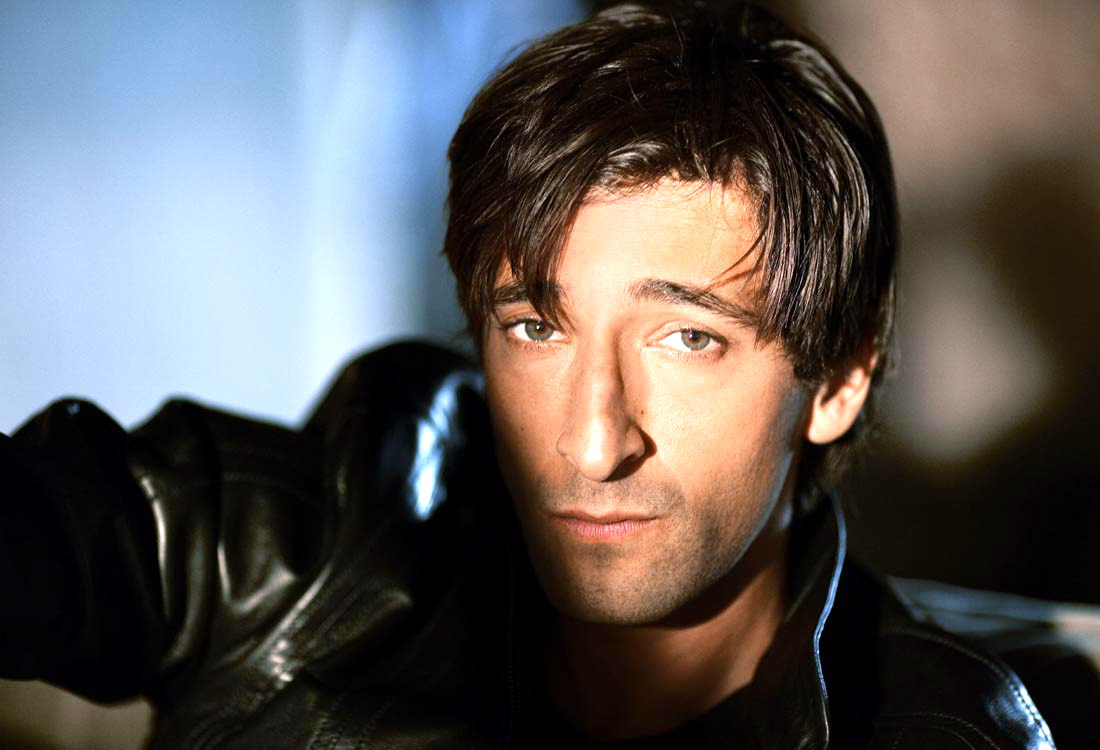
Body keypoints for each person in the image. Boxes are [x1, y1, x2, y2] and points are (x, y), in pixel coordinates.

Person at [1, 2, 1091, 748]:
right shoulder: (315, 553)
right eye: (535, 326)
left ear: (838, 383)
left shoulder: (935, 733)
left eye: (687, 338)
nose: (590, 442)